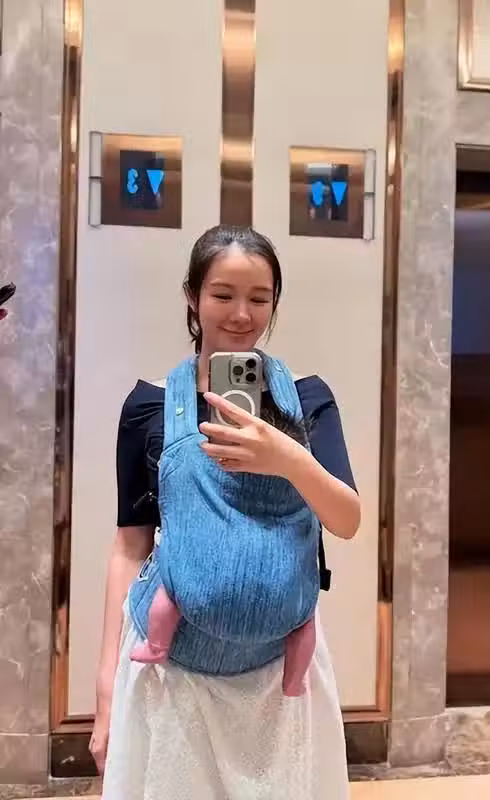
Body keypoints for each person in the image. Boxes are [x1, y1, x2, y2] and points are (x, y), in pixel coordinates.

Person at [92, 225, 361, 799]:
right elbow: (130, 547)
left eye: (259, 298)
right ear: (192, 295)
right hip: (170, 676)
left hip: (281, 675)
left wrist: (288, 458)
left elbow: (347, 520)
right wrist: (104, 693)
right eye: (222, 294)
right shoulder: (149, 405)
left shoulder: (308, 399)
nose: (242, 314)